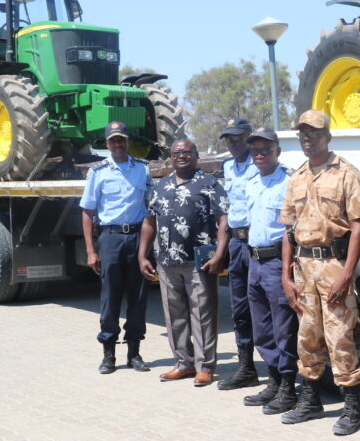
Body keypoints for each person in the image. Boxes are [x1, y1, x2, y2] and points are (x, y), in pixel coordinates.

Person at [280, 109, 360, 435]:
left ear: (327, 136)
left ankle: (351, 407)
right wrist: (285, 277)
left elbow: (359, 224)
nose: (308, 139)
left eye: (314, 133)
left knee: (340, 336)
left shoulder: (346, 173)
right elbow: (287, 230)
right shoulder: (296, 177)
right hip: (303, 267)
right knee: (307, 335)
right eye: (303, 133)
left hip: (333, 265)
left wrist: (348, 273)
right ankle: (310, 401)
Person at [137, 139, 229, 387]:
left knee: (202, 315)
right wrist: (142, 255)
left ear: (196, 155)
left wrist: (219, 254)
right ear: (171, 156)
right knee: (174, 314)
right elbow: (149, 222)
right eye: (176, 153)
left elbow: (223, 221)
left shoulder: (209, 183)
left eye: (187, 152)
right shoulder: (162, 185)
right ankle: (184, 363)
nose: (181, 156)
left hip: (200, 261)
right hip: (167, 261)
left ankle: (205, 366)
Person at [80, 121, 153, 374]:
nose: (118, 144)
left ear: (127, 141)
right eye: (113, 140)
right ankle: (108, 354)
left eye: (121, 139)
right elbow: (88, 212)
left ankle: (134, 353)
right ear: (107, 144)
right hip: (110, 239)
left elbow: (148, 208)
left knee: (138, 297)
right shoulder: (98, 172)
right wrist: (91, 250)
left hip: (137, 239)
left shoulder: (143, 170)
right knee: (110, 298)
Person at [240, 127, 300, 415]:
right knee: (261, 326)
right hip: (254, 261)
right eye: (255, 150)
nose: (260, 155)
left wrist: (288, 269)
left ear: (278, 151)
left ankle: (288, 385)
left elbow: (293, 228)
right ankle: (274, 380)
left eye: (266, 149)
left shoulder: (288, 182)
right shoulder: (252, 182)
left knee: (283, 327)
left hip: (277, 262)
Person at [217, 118, 261, 391]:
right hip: (236, 244)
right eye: (228, 139)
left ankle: (280, 372)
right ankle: (246, 367)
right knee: (240, 308)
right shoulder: (227, 167)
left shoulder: (261, 164)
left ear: (248, 137)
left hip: (257, 244)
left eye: (237, 138)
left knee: (265, 308)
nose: (232, 143)